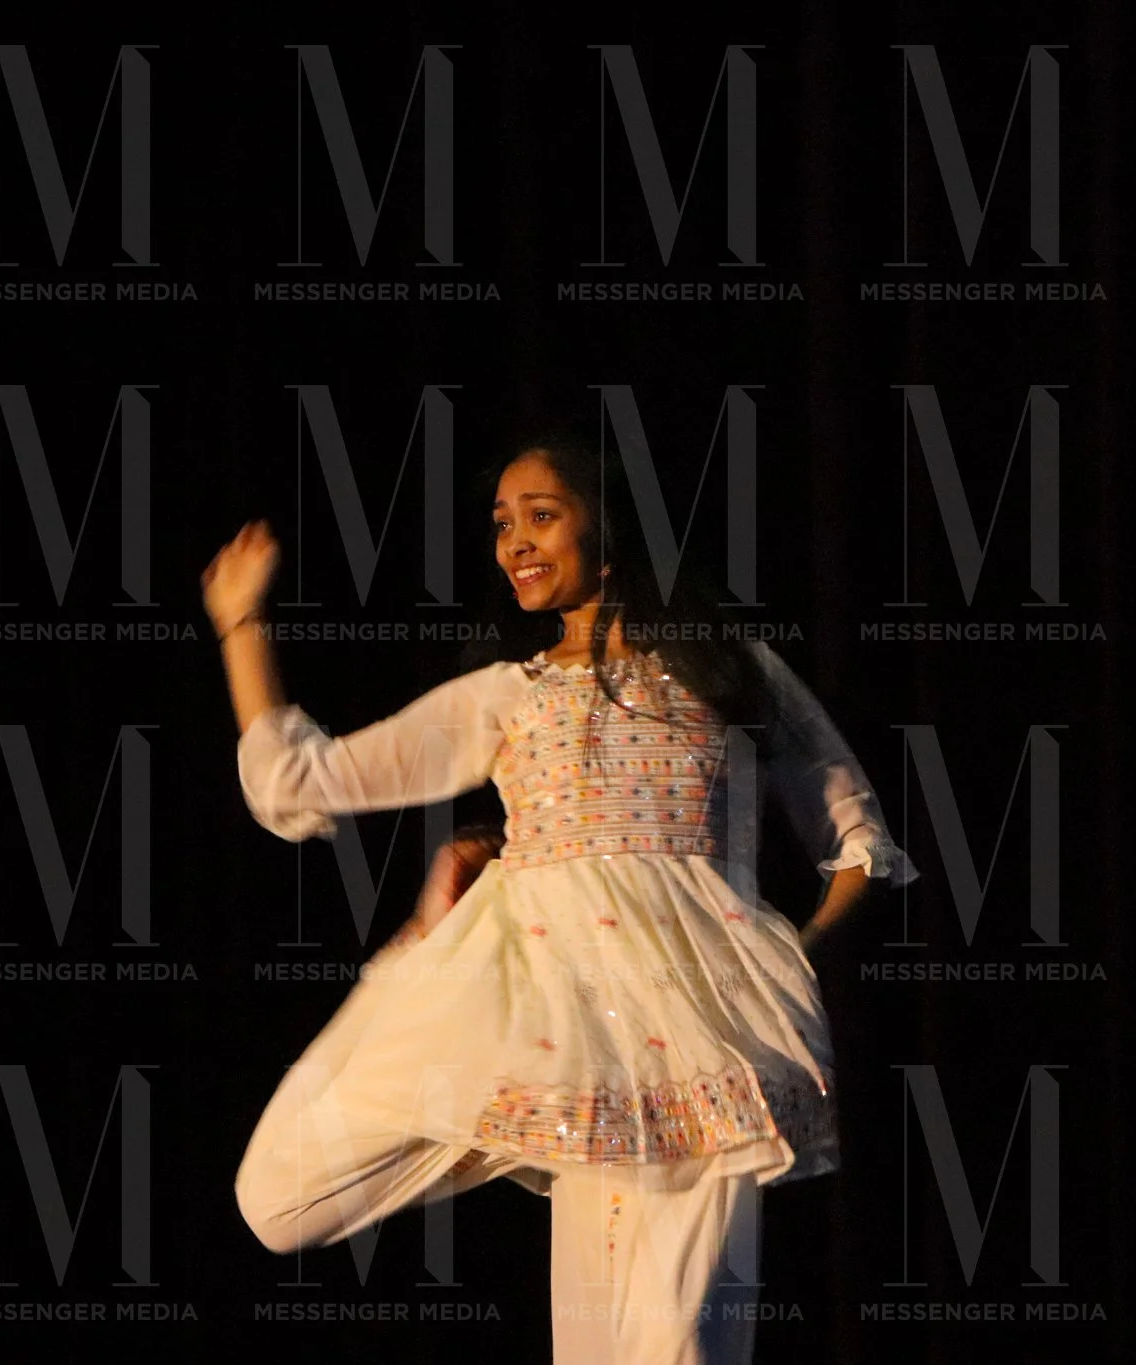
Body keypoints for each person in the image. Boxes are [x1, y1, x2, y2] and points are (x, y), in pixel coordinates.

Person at [203, 429, 919, 1363]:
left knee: (674, 1347)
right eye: (503, 524)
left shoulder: (731, 672)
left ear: (609, 529)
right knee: (276, 1196)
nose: (515, 544)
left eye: (540, 516)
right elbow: (300, 781)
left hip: (698, 1050)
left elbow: (859, 840)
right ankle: (496, 1109)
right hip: (554, 1037)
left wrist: (788, 956)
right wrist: (240, 622)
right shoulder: (507, 697)